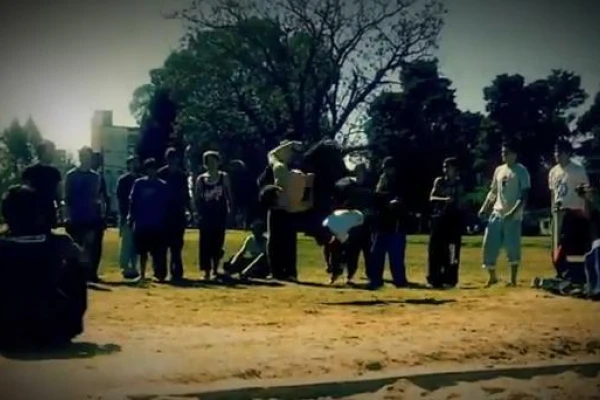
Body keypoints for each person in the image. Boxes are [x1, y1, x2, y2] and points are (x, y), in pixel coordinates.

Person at [0, 185, 87, 349]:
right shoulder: (58, 242)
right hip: (50, 330)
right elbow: (83, 260)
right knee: (76, 267)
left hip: (7, 332)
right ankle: (70, 323)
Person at [478, 142, 531, 287]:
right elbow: (493, 191)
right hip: (497, 212)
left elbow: (524, 194)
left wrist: (513, 211)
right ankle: (492, 277)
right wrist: (484, 208)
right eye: (502, 152)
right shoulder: (499, 170)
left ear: (514, 154)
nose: (504, 155)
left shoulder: (521, 171)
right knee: (489, 244)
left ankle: (513, 279)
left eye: (506, 152)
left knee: (512, 247)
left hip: (513, 216)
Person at [265, 140, 307, 281]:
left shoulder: (280, 168)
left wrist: (289, 145)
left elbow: (272, 154)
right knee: (289, 241)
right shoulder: (299, 171)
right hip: (292, 208)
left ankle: (277, 272)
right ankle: (290, 272)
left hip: (278, 208)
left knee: (275, 241)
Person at [548, 140, 590, 277]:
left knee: (569, 244)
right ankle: (559, 272)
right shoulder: (553, 172)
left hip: (572, 212)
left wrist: (586, 211)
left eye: (559, 152)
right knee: (555, 244)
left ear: (567, 153)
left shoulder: (578, 170)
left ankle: (572, 273)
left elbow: (585, 192)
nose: (556, 155)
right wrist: (552, 210)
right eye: (555, 152)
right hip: (558, 213)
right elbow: (553, 193)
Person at [370, 157, 409, 289]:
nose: (386, 171)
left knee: (396, 255)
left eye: (388, 168)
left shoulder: (399, 182)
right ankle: (376, 279)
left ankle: (399, 280)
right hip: (382, 221)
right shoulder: (382, 180)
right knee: (377, 253)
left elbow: (401, 200)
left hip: (396, 223)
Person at [64, 146, 103, 282]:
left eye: (87, 156)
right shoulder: (71, 176)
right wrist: (67, 216)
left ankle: (90, 273)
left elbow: (97, 197)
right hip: (76, 216)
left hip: (90, 216)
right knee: (76, 246)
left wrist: (99, 213)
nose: (85, 158)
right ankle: (76, 273)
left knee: (90, 246)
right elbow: (67, 197)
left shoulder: (95, 176)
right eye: (83, 156)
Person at [128, 158, 170, 282]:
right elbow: (132, 201)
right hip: (142, 222)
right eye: (149, 168)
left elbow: (166, 204)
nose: (151, 171)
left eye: (153, 168)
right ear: (146, 170)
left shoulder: (162, 185)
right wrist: (131, 216)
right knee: (142, 251)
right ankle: (142, 274)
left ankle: (158, 274)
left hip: (157, 223)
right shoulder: (139, 183)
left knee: (157, 251)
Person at [427, 157, 466, 289]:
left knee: (452, 251)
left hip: (453, 221)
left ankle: (450, 278)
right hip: (439, 219)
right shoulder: (439, 181)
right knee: (435, 250)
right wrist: (444, 199)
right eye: (444, 167)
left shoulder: (459, 185)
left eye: (448, 167)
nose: (445, 170)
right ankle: (434, 277)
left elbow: (461, 203)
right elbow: (431, 197)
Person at [195, 151, 233, 280]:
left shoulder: (224, 177)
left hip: (219, 215)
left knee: (218, 242)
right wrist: (197, 213)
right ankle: (206, 271)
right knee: (205, 244)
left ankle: (215, 270)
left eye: (213, 161)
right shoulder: (201, 179)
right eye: (208, 162)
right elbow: (197, 198)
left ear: (218, 162)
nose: (211, 164)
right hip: (206, 216)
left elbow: (229, 196)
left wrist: (230, 212)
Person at [158, 147, 193, 281]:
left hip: (177, 213)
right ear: (167, 159)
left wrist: (190, 210)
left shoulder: (181, 175)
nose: (172, 161)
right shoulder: (162, 173)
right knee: (162, 245)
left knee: (177, 245)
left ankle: (176, 272)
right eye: (170, 158)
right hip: (164, 213)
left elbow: (185, 195)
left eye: (174, 158)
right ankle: (161, 272)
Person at [322, 183, 365, 285]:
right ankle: (337, 272)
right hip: (341, 237)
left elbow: (326, 225)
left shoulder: (354, 213)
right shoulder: (351, 213)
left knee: (349, 254)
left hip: (348, 238)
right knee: (335, 250)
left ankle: (345, 274)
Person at [21, 140, 62, 231]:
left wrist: (60, 210)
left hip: (49, 211)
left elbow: (58, 193)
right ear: (43, 153)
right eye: (50, 151)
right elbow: (23, 192)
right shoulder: (29, 171)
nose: (52, 154)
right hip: (33, 211)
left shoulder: (54, 172)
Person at [116, 155, 140, 279]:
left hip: (139, 216)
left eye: (136, 162)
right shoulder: (123, 180)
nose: (135, 165)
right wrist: (123, 214)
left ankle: (134, 266)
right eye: (133, 163)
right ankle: (125, 267)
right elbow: (121, 199)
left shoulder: (140, 179)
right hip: (126, 215)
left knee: (135, 244)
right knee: (126, 242)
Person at [90, 152, 110, 281]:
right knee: (89, 246)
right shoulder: (94, 177)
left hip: (97, 216)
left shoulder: (99, 177)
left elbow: (105, 197)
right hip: (88, 214)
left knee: (96, 246)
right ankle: (88, 272)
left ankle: (93, 272)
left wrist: (105, 215)